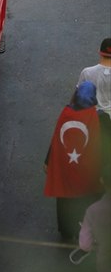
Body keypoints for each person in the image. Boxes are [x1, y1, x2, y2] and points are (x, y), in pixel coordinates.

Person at [44, 81, 101, 239]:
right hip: (85, 168)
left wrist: (48, 161)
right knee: (86, 197)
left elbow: (56, 139)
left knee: (63, 197)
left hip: (64, 165)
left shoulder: (66, 113)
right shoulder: (96, 117)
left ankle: (65, 230)